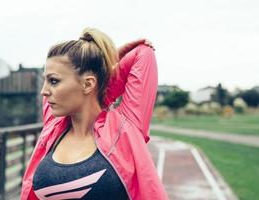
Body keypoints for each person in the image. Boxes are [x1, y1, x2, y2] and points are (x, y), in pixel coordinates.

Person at [21, 28, 168, 200]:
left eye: (53, 81)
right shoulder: (54, 124)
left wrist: (108, 65)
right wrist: (102, 74)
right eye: (45, 80)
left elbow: (143, 54)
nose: (44, 92)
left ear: (88, 84)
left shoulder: (125, 128)